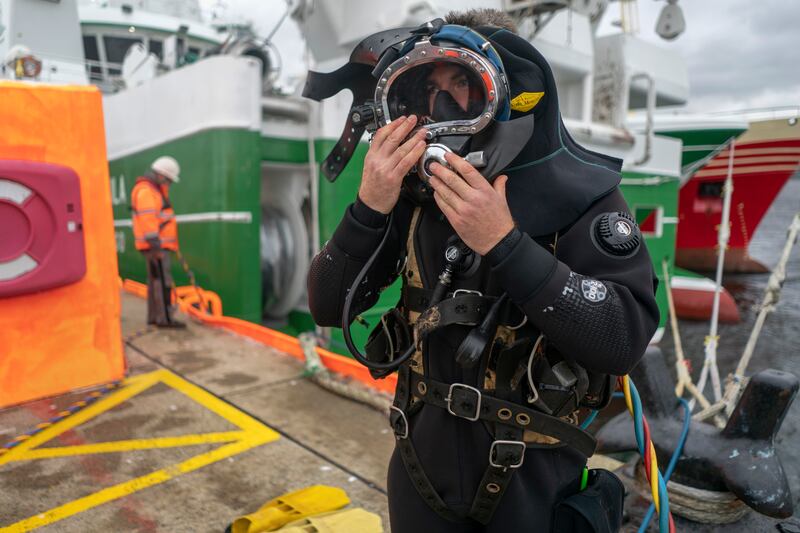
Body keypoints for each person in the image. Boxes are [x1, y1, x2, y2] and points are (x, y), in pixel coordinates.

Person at [305, 9, 659, 532]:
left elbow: (624, 338)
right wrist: (369, 207)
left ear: (505, 92)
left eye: (462, 84)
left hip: (531, 483)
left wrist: (505, 243)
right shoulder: (413, 199)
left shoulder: (585, 198)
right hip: (418, 475)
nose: (442, 105)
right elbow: (326, 307)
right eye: (431, 89)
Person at [131, 156, 185, 329]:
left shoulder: (150, 190)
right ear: (161, 175)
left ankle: (155, 317)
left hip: (154, 246)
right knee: (162, 282)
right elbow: (148, 221)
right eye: (168, 180)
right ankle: (164, 319)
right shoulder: (147, 192)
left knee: (155, 281)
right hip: (156, 247)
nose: (169, 184)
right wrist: (157, 247)